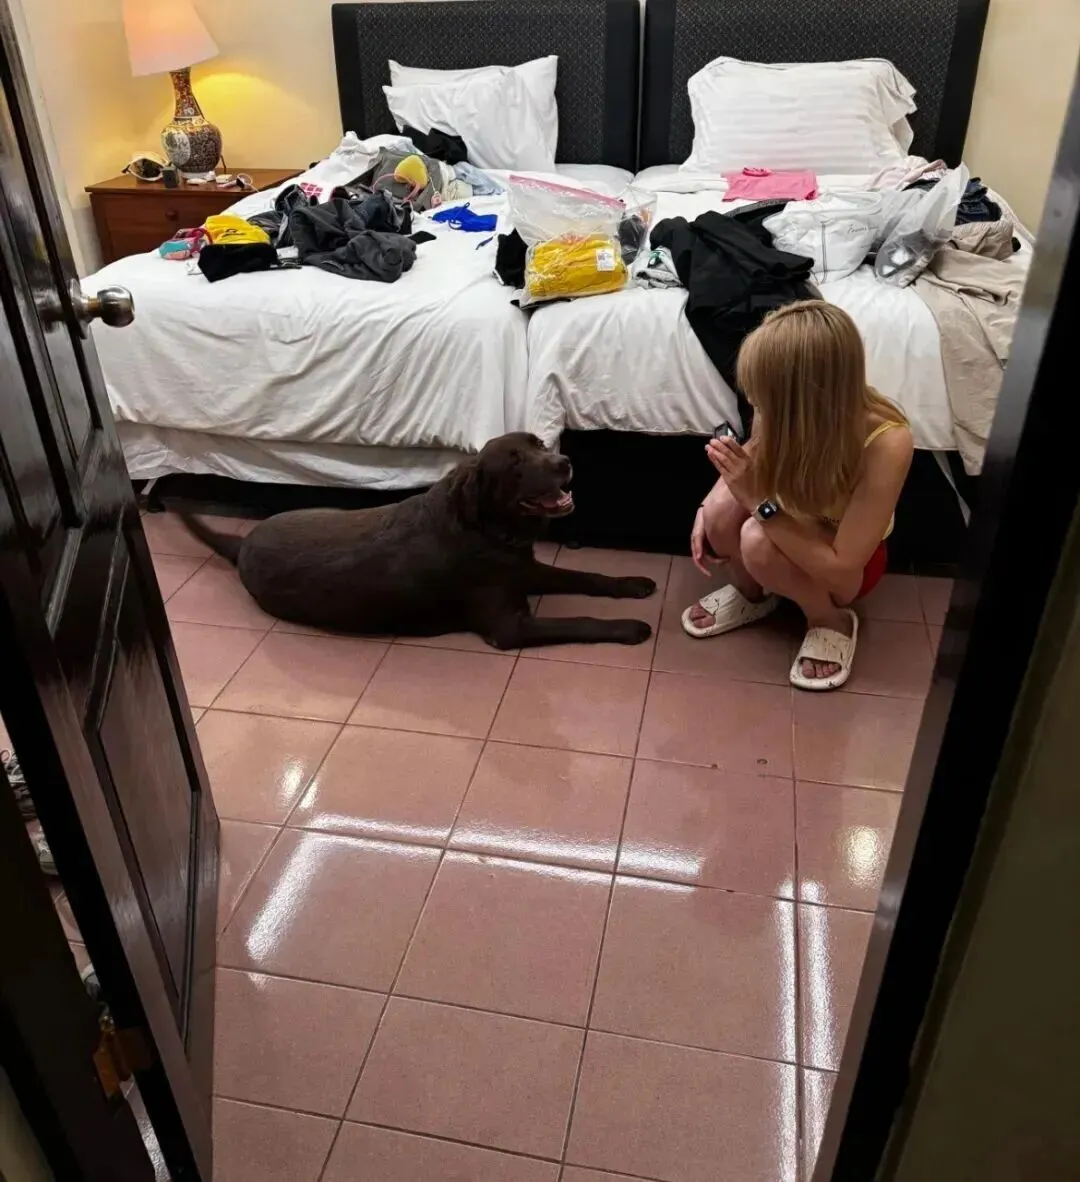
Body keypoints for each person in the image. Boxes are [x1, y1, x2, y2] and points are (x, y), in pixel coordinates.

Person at [683, 300, 914, 690]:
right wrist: (709, 503)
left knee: (756, 539)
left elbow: (843, 567)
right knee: (721, 511)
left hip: (847, 563)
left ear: (803, 397)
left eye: (764, 399)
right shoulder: (781, 407)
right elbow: (753, 452)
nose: (755, 405)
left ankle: (829, 619)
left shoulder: (886, 441)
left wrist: (759, 504)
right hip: (791, 517)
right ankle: (751, 593)